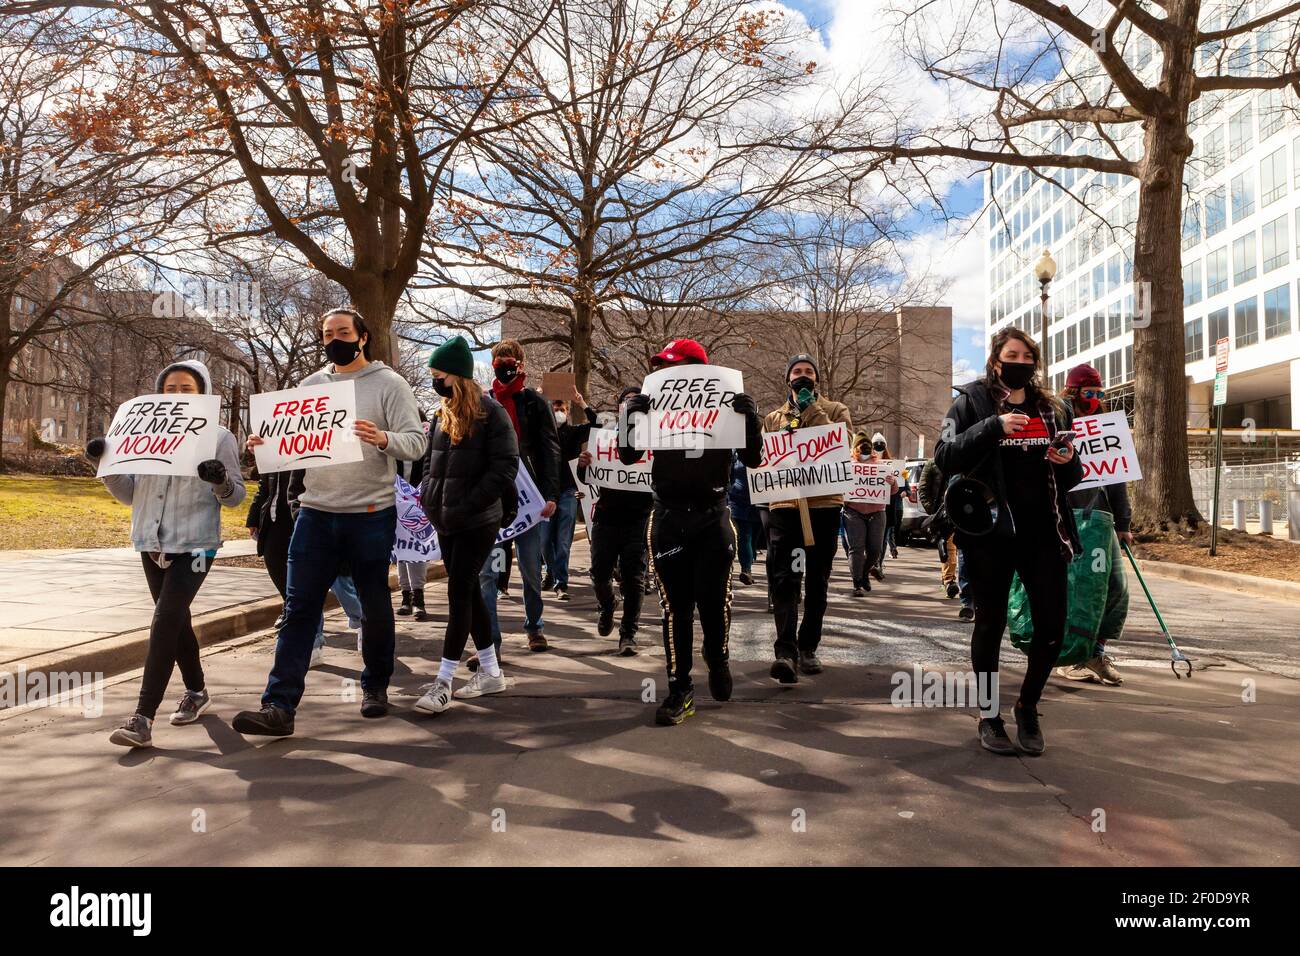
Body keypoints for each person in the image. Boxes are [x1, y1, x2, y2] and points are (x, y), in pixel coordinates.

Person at [232, 307, 426, 737]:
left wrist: (382, 438)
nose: (334, 339)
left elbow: (416, 442)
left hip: (371, 515)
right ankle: (278, 707)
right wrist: (263, 444)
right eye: (327, 333)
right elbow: (289, 446)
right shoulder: (311, 386)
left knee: (374, 605)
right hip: (316, 512)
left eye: (342, 331)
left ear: (362, 337)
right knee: (299, 608)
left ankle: (375, 685)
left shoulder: (389, 385)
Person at [934, 326, 1083, 757]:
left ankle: (1028, 706)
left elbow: (1073, 476)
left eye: (1027, 355)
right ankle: (988, 715)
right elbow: (945, 456)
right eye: (1012, 354)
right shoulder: (970, 402)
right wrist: (992, 426)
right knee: (990, 623)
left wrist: (1066, 459)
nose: (1020, 362)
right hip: (990, 534)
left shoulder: (1052, 408)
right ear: (996, 360)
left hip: (1044, 533)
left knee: (1053, 627)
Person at [88, 359, 246, 748]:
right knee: (176, 621)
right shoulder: (141, 434)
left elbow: (236, 498)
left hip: (195, 545)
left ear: (202, 394)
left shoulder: (220, 437)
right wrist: (104, 464)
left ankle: (142, 717)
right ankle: (197, 691)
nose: (177, 394)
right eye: (170, 388)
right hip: (150, 541)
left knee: (165, 619)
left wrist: (220, 480)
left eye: (186, 389)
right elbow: (129, 494)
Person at [619, 338, 763, 725]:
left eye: (672, 365)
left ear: (695, 371)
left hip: (712, 519)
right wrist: (628, 418)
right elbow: (628, 456)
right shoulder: (654, 410)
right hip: (667, 519)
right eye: (662, 367)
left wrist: (751, 421)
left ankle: (717, 657)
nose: (664, 372)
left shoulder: (726, 407)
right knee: (676, 610)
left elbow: (753, 459)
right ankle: (680, 689)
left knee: (714, 604)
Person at [414, 337, 520, 714]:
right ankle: (491, 672)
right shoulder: (440, 415)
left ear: (457, 375)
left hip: (477, 520)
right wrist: (429, 497)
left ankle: (444, 681)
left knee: (458, 591)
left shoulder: (492, 413)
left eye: (438, 374)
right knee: (470, 591)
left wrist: (472, 502)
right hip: (445, 518)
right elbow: (429, 463)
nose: (434, 381)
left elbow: (506, 466)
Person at [762, 354, 853, 681]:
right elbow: (763, 460)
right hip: (785, 506)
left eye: (808, 372)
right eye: (797, 372)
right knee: (784, 578)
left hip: (823, 506)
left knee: (817, 580)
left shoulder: (836, 411)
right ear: (788, 379)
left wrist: (811, 409)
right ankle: (785, 651)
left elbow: (841, 447)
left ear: (816, 380)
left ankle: (808, 646)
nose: (802, 376)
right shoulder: (773, 418)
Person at [477, 340, 560, 655]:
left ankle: (534, 627)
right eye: (498, 361)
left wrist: (550, 492)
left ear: (520, 365)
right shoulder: (483, 402)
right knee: (489, 571)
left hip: (529, 500)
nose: (504, 366)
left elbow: (550, 449)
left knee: (529, 569)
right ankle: (491, 642)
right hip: (492, 501)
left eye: (509, 361)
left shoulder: (536, 404)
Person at [1055, 363, 1130, 686]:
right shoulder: (1056, 420)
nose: (1096, 399)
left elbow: (1118, 478)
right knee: (1074, 590)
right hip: (1066, 518)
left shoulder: (1105, 426)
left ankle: (1095, 651)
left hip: (1100, 519)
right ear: (1073, 392)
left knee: (1115, 588)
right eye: (1089, 393)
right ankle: (1069, 654)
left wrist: (1123, 521)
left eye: (1100, 394)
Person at [246, 469, 364, 666]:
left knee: (340, 583)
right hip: (275, 526)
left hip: (309, 518)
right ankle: (312, 641)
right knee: (296, 590)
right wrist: (253, 516)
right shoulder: (274, 446)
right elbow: (265, 485)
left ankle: (362, 620)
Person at [577, 386, 653, 655]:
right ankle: (608, 605)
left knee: (634, 578)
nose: (630, 406)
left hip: (639, 518)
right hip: (607, 516)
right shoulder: (605, 436)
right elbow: (588, 479)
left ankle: (628, 634)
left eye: (636, 402)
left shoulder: (652, 439)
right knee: (600, 573)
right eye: (626, 402)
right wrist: (583, 464)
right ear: (619, 407)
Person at [542, 387, 596, 601]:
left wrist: (581, 402)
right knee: (545, 541)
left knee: (563, 542)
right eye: (555, 408)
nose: (558, 412)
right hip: (545, 494)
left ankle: (560, 583)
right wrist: (538, 397)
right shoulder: (542, 433)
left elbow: (598, 424)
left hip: (568, 492)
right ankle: (550, 571)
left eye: (562, 409)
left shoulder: (574, 433)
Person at [918, 457, 974, 619]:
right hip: (947, 514)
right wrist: (934, 512)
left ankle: (966, 595)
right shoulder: (936, 462)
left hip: (969, 512)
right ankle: (951, 582)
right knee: (952, 549)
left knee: (964, 553)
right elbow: (924, 488)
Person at [842, 429, 895, 598]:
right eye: (861, 445)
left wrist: (892, 482)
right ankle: (857, 582)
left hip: (877, 512)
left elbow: (892, 491)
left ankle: (865, 572)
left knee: (875, 549)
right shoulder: (848, 466)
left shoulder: (881, 466)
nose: (864, 448)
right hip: (853, 512)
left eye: (867, 445)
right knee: (856, 549)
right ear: (855, 448)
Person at [395, 411, 432, 621]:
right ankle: (405, 596)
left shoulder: (425, 445)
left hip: (418, 504)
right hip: (398, 505)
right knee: (402, 549)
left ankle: (418, 597)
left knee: (416, 549)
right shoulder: (392, 443)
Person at [727, 452, 761, 586]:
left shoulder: (766, 447)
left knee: (754, 537)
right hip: (738, 500)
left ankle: (750, 560)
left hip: (760, 499)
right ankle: (746, 569)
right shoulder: (734, 450)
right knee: (744, 536)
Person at [877, 433, 903, 567]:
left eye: (880, 445)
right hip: (873, 507)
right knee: (874, 540)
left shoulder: (893, 465)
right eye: (875, 445)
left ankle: (878, 564)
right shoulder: (867, 462)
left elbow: (899, 487)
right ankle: (874, 563)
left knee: (883, 540)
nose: (878, 448)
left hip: (888, 507)